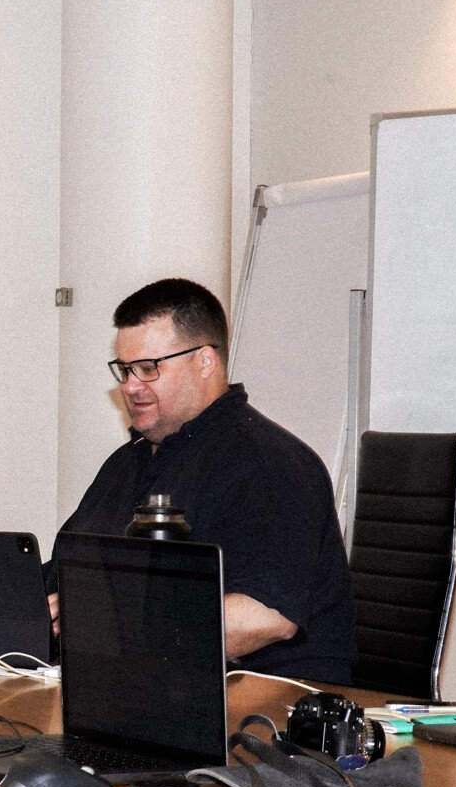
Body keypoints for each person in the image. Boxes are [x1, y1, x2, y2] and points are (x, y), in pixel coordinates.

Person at [51, 278, 356, 683]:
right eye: (124, 370)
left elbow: (266, 617)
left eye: (148, 368)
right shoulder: (126, 465)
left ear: (205, 361)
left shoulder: (270, 464)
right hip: (144, 695)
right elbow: (68, 578)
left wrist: (114, 623)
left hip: (266, 716)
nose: (130, 386)